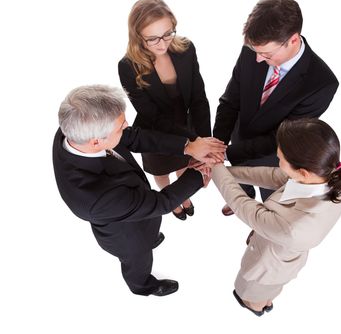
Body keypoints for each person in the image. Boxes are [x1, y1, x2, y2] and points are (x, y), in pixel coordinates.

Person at [53, 85, 226, 296]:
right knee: (138, 259)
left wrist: (187, 147)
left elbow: (132, 137)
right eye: (120, 126)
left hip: (135, 206)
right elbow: (159, 203)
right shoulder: (95, 199)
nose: (127, 125)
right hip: (128, 237)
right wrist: (199, 175)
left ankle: (152, 236)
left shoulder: (74, 130)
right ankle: (143, 286)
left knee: (150, 227)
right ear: (96, 141)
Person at [210, 118, 341, 316]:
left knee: (251, 292)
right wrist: (227, 171)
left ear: (303, 172)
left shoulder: (293, 228)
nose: (278, 162)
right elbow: (274, 176)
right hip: (282, 256)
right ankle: (265, 301)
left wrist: (214, 167)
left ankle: (257, 307)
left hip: (268, 267)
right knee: (270, 290)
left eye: (280, 159)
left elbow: (244, 207)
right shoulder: (326, 174)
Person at [213, 0, 339, 216]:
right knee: (239, 179)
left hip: (274, 156)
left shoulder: (321, 83)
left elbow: (282, 138)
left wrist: (225, 153)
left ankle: (263, 218)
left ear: (293, 39)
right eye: (256, 51)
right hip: (238, 135)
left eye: (267, 54)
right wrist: (218, 144)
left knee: (270, 198)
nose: (259, 59)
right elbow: (230, 101)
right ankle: (243, 195)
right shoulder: (252, 51)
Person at [118, 0, 212, 221]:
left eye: (168, 33)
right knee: (161, 172)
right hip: (155, 132)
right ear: (137, 35)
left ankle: (183, 195)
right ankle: (169, 196)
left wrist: (204, 140)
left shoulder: (186, 48)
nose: (162, 43)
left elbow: (199, 97)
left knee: (185, 165)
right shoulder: (127, 66)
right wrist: (191, 142)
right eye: (152, 38)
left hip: (185, 124)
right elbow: (152, 114)